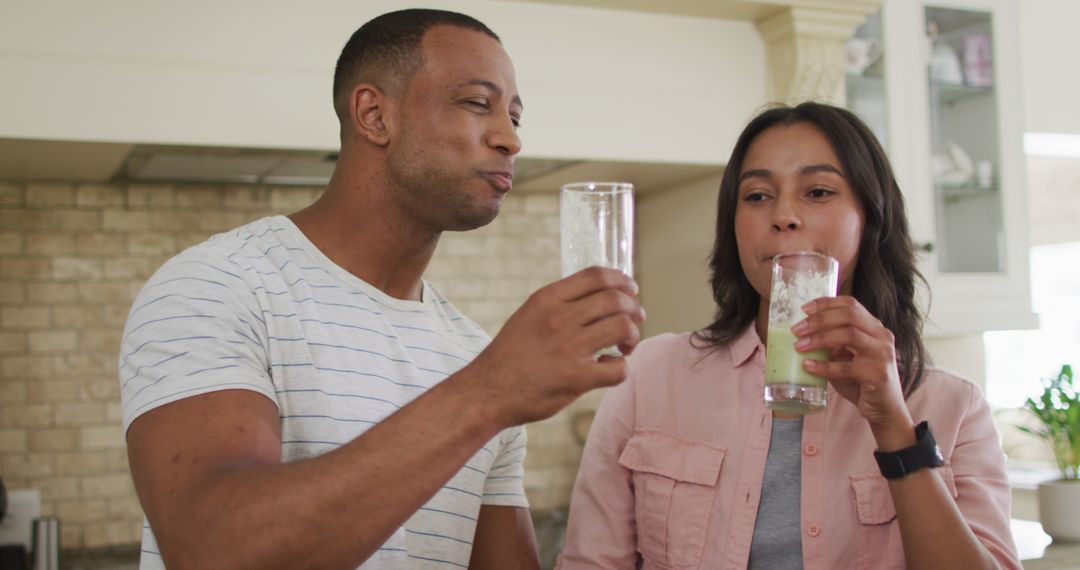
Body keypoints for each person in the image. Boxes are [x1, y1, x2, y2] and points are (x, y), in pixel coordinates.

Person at [119, 9, 645, 570]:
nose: (510, 139)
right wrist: (490, 391)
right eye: (476, 103)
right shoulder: (218, 286)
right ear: (374, 115)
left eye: (515, 116)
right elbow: (212, 552)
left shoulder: (474, 351)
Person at [558, 102, 1020, 569]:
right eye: (757, 196)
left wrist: (894, 427)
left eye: (818, 192)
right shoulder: (650, 377)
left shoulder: (953, 408)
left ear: (871, 219)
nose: (783, 215)